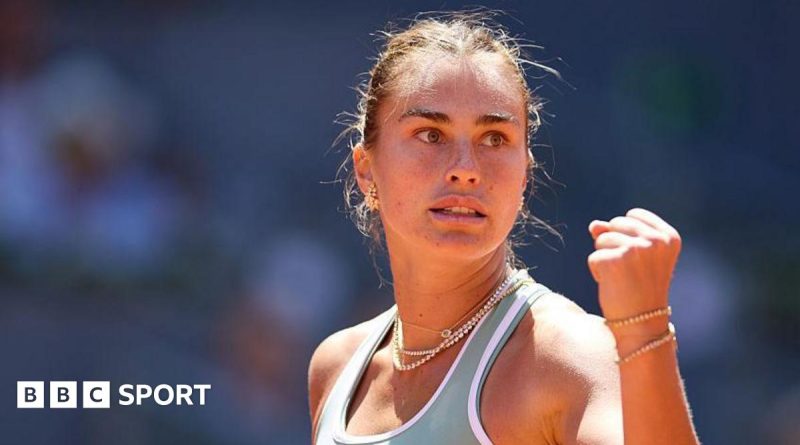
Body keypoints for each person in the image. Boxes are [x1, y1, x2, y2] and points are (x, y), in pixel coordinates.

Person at [308, 11, 699, 445]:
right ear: (366, 170)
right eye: (431, 135)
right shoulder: (336, 367)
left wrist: (645, 333)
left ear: (525, 174)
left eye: (495, 138)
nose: (465, 170)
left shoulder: (569, 354)